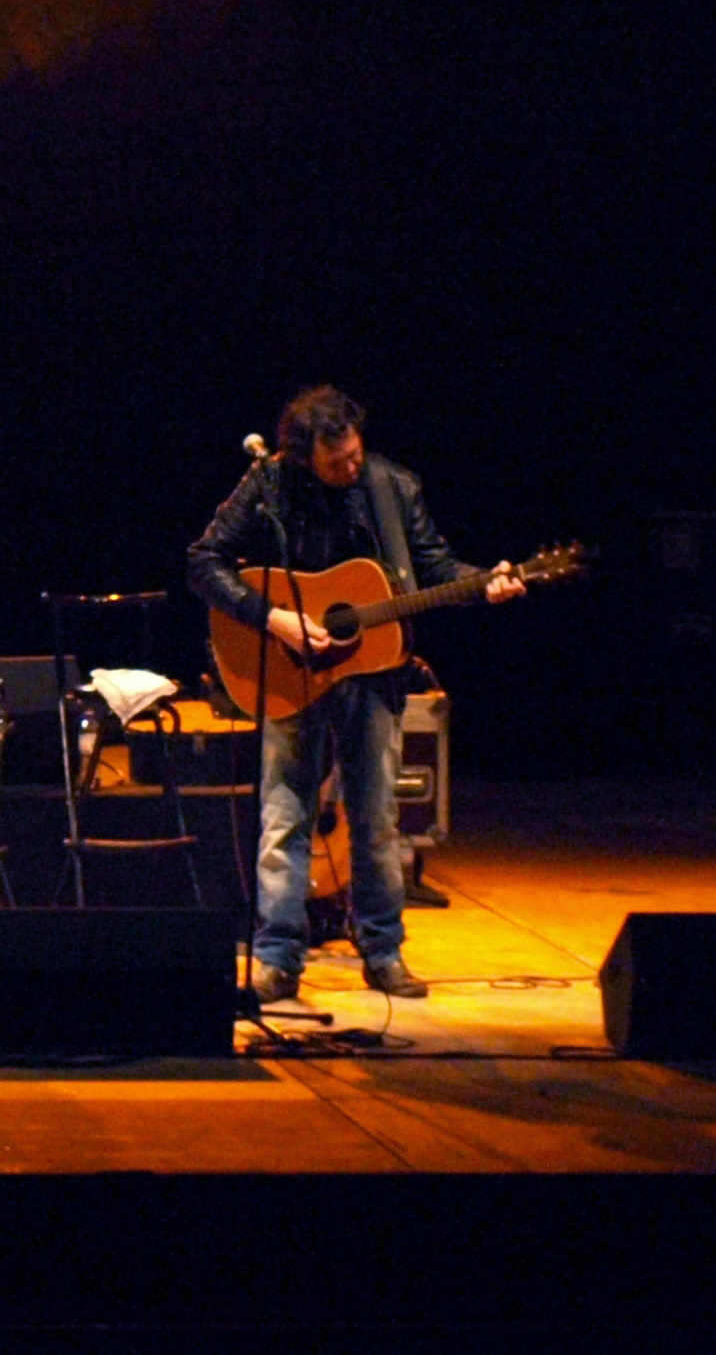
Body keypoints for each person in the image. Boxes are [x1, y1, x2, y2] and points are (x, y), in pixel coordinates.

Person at [187, 386, 524, 1000]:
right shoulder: (269, 483)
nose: (349, 469)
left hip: (371, 676)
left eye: (353, 456)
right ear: (301, 455)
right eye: (334, 461)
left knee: (375, 820)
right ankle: (278, 958)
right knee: (284, 818)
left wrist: (487, 583)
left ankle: (383, 949)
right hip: (289, 671)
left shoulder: (393, 486)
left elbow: (436, 567)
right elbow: (204, 561)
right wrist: (275, 619)